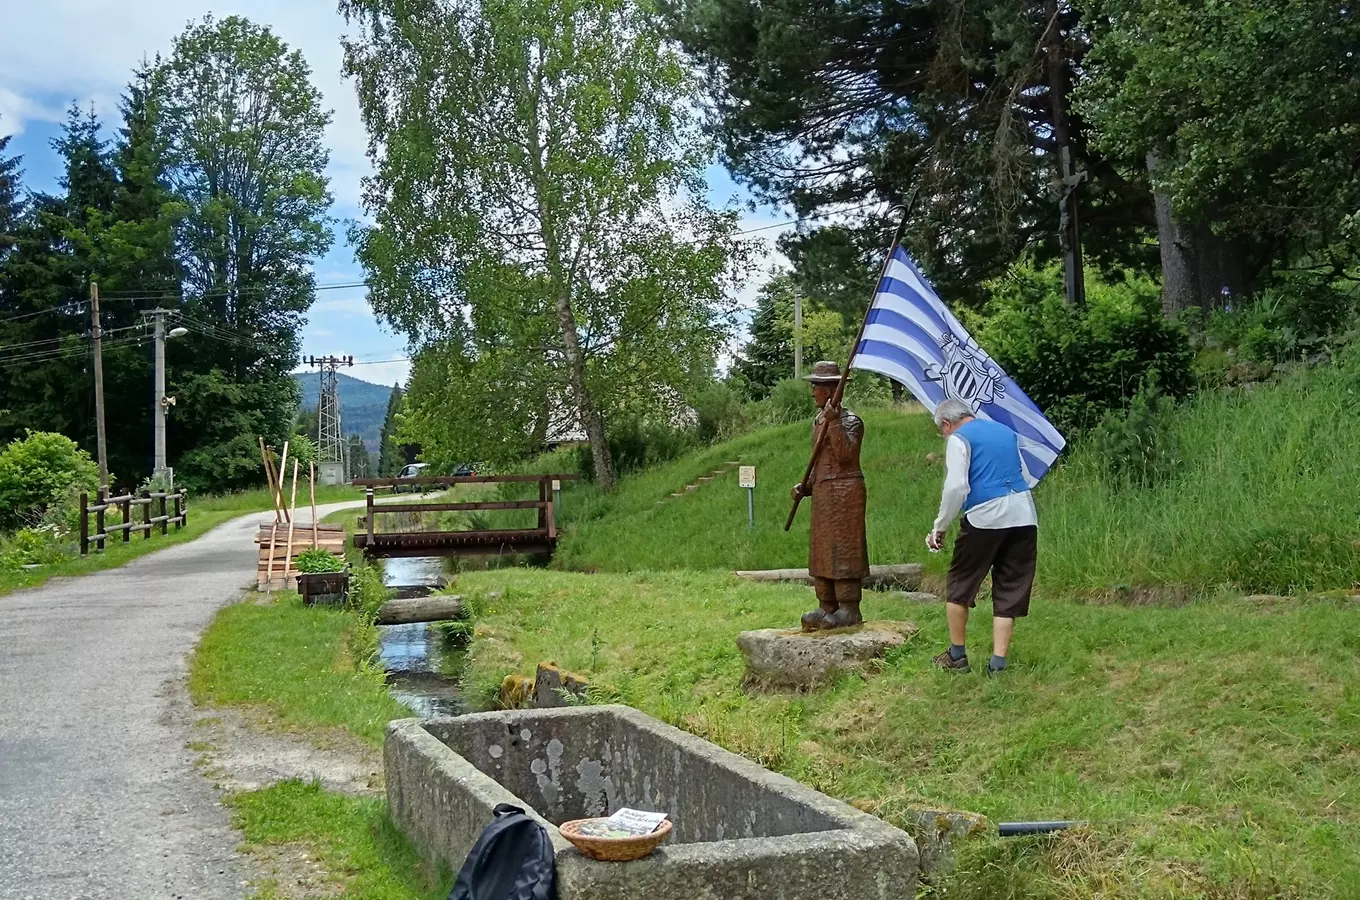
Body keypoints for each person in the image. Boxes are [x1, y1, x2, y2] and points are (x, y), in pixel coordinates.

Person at [926, 399, 1037, 675]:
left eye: (943, 431)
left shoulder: (959, 439)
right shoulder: (1004, 431)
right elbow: (1024, 474)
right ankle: (998, 663)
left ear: (947, 424)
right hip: (1024, 514)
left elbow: (956, 488)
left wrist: (940, 526)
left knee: (960, 583)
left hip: (985, 516)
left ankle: (957, 656)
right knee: (1011, 585)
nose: (944, 436)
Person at [791, 361, 870, 630]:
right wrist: (807, 486)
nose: (812, 391)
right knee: (822, 550)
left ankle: (849, 608)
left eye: (817, 386)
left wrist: (835, 423)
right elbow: (822, 462)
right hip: (825, 493)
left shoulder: (850, 422)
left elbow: (846, 457)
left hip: (845, 493)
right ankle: (826, 604)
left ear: (831, 391)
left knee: (844, 550)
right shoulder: (818, 421)